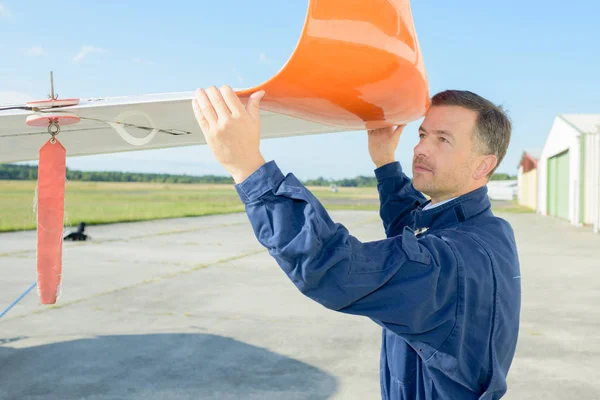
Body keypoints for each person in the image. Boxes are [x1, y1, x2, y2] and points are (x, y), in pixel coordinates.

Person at [191, 87, 521, 399]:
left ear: (484, 165)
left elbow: (333, 267)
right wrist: (385, 161)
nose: (420, 148)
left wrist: (247, 166)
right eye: (422, 135)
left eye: (443, 139)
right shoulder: (482, 228)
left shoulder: (453, 262)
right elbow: (412, 223)